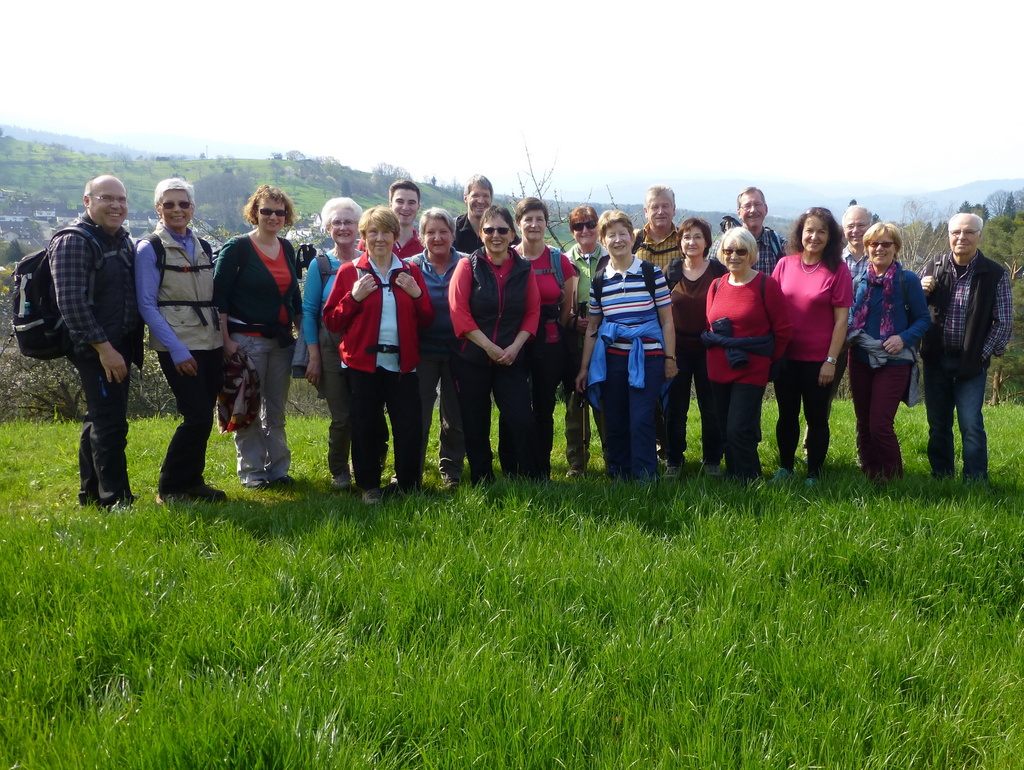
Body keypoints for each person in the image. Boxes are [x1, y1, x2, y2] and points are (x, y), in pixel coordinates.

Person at [322, 206, 434, 504]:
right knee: (365, 427)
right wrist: (354, 297)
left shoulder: (410, 272)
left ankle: (408, 485)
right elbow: (332, 321)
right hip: (362, 365)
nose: (380, 238)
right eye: (373, 232)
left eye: (386, 232)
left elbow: (427, 320)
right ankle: (369, 486)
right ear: (364, 236)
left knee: (408, 427)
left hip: (402, 365)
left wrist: (417, 295)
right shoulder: (350, 272)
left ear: (396, 236)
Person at [51, 175, 141, 508]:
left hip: (118, 343)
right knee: (110, 423)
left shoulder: (119, 239)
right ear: (87, 201)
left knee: (99, 417)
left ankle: (90, 493)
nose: (116, 205)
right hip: (97, 347)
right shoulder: (73, 241)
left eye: (122, 199)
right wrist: (104, 349)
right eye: (107, 198)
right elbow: (71, 302)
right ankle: (115, 500)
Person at [136, 178, 225, 503]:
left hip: (210, 341)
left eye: (183, 204)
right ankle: (170, 487)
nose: (177, 210)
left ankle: (193, 482)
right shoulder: (150, 248)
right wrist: (176, 350)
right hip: (179, 343)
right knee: (196, 414)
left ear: (193, 209)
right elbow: (146, 304)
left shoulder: (203, 246)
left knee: (204, 413)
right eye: (169, 204)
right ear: (158, 208)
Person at [575, 210, 677, 480]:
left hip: (649, 358)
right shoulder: (599, 281)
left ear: (632, 238)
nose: (618, 240)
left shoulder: (650, 274)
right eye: (611, 235)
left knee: (641, 418)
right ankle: (618, 473)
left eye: (623, 234)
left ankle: (646, 476)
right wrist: (584, 369)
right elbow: (593, 328)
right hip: (613, 359)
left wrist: (670, 359)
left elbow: (667, 321)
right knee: (616, 418)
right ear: (603, 241)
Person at [213, 185, 302, 489]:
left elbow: (294, 298)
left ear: (286, 216)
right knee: (247, 407)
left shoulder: (287, 248)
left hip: (281, 341)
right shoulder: (237, 248)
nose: (273, 217)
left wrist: (303, 337)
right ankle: (252, 472)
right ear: (255, 212)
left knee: (276, 409)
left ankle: (278, 470)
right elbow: (219, 298)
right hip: (246, 341)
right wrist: (226, 340)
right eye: (266, 211)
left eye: (279, 212)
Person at [448, 204, 542, 483]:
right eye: (489, 230)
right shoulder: (467, 266)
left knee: (521, 419)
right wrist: (488, 346)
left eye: (502, 230)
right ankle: (482, 479)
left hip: (511, 358)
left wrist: (515, 347)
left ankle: (527, 476)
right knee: (475, 423)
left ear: (512, 234)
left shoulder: (524, 269)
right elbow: (458, 312)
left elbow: (532, 312)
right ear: (481, 234)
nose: (496, 235)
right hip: (472, 358)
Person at [919, 212, 1013, 481]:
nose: (961, 237)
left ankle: (975, 480)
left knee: (971, 424)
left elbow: (1004, 322)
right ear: (949, 235)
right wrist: (920, 289)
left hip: (972, 364)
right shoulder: (933, 266)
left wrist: (980, 355)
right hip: (936, 359)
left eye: (969, 232)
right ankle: (942, 476)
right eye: (956, 232)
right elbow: (911, 309)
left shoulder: (994, 274)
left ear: (979, 236)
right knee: (938, 424)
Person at [771, 207, 853, 485]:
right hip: (786, 357)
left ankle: (814, 474)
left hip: (819, 361)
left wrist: (831, 361)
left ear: (830, 237)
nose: (814, 237)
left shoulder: (838, 270)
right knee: (786, 414)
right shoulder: (785, 265)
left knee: (816, 418)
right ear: (800, 233)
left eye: (822, 231)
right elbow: (773, 309)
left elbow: (841, 321)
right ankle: (785, 468)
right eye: (809, 230)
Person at [703, 227, 792, 482]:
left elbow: (783, 330)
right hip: (718, 367)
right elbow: (710, 324)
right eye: (728, 250)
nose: (734, 256)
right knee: (725, 428)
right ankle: (734, 477)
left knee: (738, 428)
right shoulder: (716, 285)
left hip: (751, 368)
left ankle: (749, 481)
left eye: (741, 251)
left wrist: (767, 360)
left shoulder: (766, 285)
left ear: (751, 253)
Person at [846, 222, 930, 480]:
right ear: (866, 247)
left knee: (880, 424)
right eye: (873, 243)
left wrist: (903, 339)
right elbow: (850, 315)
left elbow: (923, 319)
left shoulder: (908, 280)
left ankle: (893, 479)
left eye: (886, 244)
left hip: (894, 362)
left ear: (896, 248)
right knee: (863, 423)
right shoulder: (859, 281)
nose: (879, 248)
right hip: (860, 357)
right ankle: (870, 474)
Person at [508, 197, 577, 479]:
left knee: (543, 406)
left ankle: (541, 469)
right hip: (514, 343)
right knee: (514, 405)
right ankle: (514, 467)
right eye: (528, 219)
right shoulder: (508, 258)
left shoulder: (559, 261)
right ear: (518, 224)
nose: (534, 225)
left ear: (546, 224)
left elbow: (566, 309)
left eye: (540, 219)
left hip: (549, 345)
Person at [302, 197, 362, 490]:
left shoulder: (369, 260)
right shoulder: (321, 264)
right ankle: (339, 470)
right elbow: (309, 311)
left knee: (366, 412)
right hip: (330, 347)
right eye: (336, 222)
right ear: (328, 228)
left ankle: (367, 464)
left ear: (359, 227)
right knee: (342, 416)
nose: (343, 227)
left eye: (349, 221)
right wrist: (313, 357)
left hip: (364, 345)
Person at [407, 207, 467, 489]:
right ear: (421, 237)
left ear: (453, 234)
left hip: (459, 350)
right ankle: (410, 473)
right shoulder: (410, 267)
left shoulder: (468, 264)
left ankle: (451, 471)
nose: (437, 237)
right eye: (430, 232)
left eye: (443, 231)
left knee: (454, 416)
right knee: (417, 415)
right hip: (422, 351)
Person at [664, 217, 727, 477]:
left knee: (710, 407)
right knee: (675, 408)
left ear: (707, 242)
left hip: (709, 348)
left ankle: (712, 459)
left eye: (698, 237)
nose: (692, 242)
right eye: (686, 237)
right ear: (680, 242)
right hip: (677, 349)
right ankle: (674, 460)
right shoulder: (671, 271)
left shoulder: (718, 271)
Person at [563, 205, 608, 477]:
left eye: (590, 224)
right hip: (573, 343)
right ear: (572, 231)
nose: (585, 230)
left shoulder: (611, 257)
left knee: (606, 400)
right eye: (578, 226)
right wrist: (572, 321)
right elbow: (558, 302)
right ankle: (577, 462)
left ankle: (613, 457)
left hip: (606, 342)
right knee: (574, 403)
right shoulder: (563, 261)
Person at [357, 179, 423, 258]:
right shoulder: (370, 242)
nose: (405, 208)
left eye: (411, 203)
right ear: (390, 204)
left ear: (418, 207)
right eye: (400, 201)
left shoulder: (424, 245)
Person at [735, 187, 787, 275]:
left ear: (766, 209)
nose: (753, 210)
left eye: (757, 204)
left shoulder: (780, 246)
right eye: (747, 206)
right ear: (739, 213)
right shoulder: (724, 247)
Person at [634, 185, 681, 269]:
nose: (660, 212)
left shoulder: (684, 240)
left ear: (674, 209)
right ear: (646, 211)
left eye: (665, 206)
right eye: (655, 207)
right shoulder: (634, 239)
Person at [453, 174, 493, 254]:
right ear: (466, 198)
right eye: (475, 195)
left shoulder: (501, 231)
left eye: (485, 196)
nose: (481, 201)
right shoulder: (452, 229)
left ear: (491, 199)